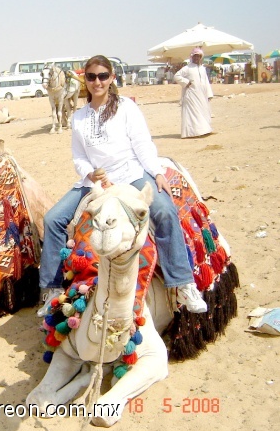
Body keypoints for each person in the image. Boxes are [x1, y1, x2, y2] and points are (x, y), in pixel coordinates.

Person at [38, 55, 207, 313]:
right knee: (53, 219)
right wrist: (91, 173)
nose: (97, 82)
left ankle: (183, 284)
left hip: (131, 174)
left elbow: (142, 144)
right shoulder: (79, 117)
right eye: (92, 76)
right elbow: (79, 157)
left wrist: (157, 172)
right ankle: (52, 289)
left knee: (163, 209)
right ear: (85, 79)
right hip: (95, 181)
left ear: (112, 78)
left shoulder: (126, 107)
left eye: (103, 76)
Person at [173, 47, 213, 138]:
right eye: (195, 56)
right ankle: (194, 132)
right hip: (191, 94)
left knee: (203, 111)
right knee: (193, 113)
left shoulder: (202, 68)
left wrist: (209, 94)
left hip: (201, 94)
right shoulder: (187, 68)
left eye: (198, 57)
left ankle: (204, 130)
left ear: (200, 57)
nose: (196, 58)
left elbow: (206, 81)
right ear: (192, 57)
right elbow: (177, 76)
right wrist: (186, 82)